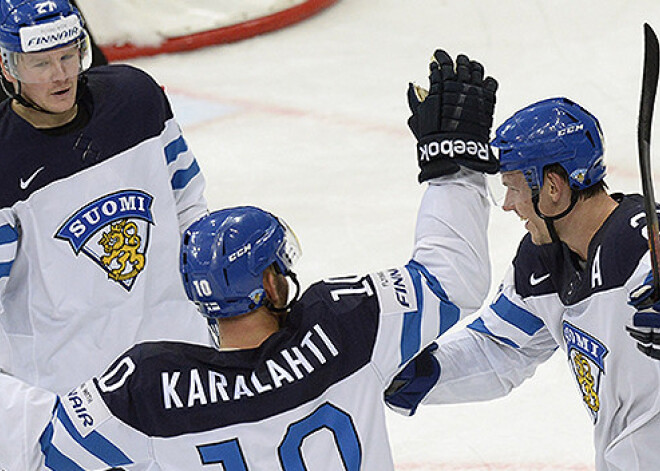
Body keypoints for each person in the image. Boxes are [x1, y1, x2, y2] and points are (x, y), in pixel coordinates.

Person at [2, 49, 498, 470]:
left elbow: (40, 446)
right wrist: (453, 170)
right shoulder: (350, 327)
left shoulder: (149, 390)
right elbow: (451, 277)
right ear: (269, 281)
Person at [385, 97, 660, 470]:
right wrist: (398, 373)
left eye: (513, 188)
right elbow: (498, 350)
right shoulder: (542, 264)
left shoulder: (646, 248)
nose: (507, 205)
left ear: (552, 186)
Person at [0, 0, 210, 396]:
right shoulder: (5, 158)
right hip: (68, 390)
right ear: (8, 68)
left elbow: (189, 203)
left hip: (177, 356)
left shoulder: (137, 100)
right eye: (41, 64)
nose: (61, 75)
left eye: (68, 56)